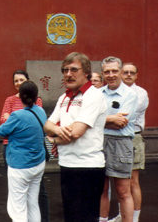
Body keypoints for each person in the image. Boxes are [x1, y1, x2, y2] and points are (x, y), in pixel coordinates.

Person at [44, 52, 107, 222]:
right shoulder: (64, 97)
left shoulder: (94, 95)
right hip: (67, 164)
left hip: (88, 167)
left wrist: (53, 138)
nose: (68, 74)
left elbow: (77, 132)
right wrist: (56, 132)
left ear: (86, 72)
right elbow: (47, 125)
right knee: (71, 216)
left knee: (85, 218)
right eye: (65, 70)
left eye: (73, 69)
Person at [0, 69, 49, 222]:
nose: (18, 83)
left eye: (21, 80)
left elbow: (1, 130)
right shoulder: (39, 110)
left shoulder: (17, 115)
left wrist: (11, 121)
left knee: (18, 206)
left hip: (20, 161)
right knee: (32, 202)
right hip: (37, 160)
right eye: (16, 80)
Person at [98, 57, 138, 222]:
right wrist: (110, 119)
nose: (111, 75)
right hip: (99, 143)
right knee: (102, 189)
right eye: (107, 71)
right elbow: (94, 121)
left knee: (123, 191)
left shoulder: (130, 95)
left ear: (120, 72)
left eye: (114, 71)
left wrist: (100, 120)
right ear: (102, 73)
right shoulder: (98, 93)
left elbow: (121, 124)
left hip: (121, 144)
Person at [108, 63, 149, 222]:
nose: (128, 75)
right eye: (125, 72)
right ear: (120, 73)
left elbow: (124, 116)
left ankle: (135, 218)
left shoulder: (140, 93)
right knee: (120, 182)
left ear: (137, 75)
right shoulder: (115, 91)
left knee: (132, 181)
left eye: (132, 72)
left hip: (133, 138)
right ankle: (122, 215)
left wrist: (108, 118)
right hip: (113, 137)